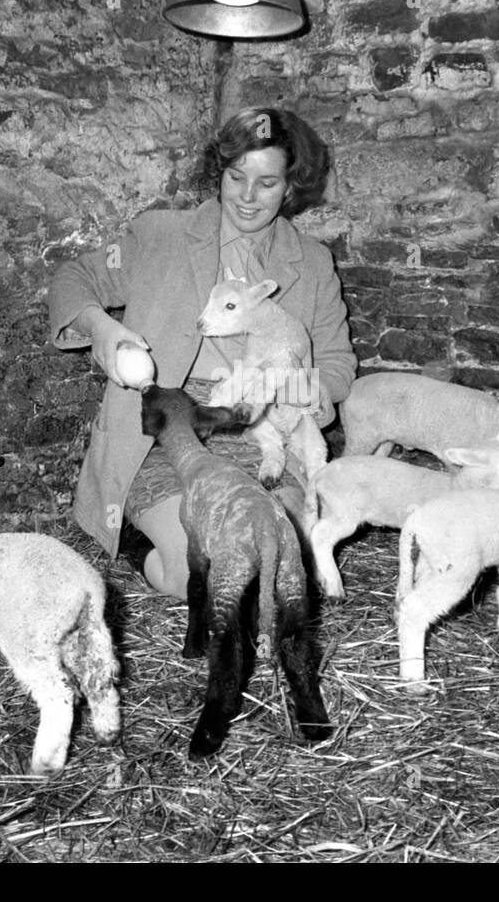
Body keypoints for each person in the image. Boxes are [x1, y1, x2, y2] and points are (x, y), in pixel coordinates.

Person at [48, 107, 357, 598]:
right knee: (207, 574)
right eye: (237, 178)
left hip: (264, 424)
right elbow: (73, 278)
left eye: (268, 183)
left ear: (291, 187)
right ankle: (146, 538)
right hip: (169, 424)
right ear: (220, 172)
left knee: (274, 563)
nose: (248, 198)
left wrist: (315, 388)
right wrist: (102, 330)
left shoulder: (314, 264)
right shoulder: (161, 236)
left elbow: (338, 361)